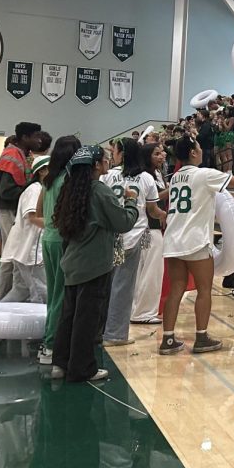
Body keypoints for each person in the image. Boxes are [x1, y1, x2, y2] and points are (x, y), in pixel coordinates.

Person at [161, 137, 234, 356]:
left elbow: (163, 196)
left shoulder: (176, 177)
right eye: (198, 147)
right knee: (204, 290)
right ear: (194, 153)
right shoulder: (204, 174)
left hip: (173, 239)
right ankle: (202, 337)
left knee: (175, 289)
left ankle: (167, 339)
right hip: (195, 240)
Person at [51, 145, 139, 384]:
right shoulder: (99, 191)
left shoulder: (70, 190)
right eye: (105, 159)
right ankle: (82, 368)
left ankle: (60, 362)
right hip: (94, 264)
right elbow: (122, 222)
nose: (108, 162)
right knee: (87, 319)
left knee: (68, 316)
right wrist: (132, 202)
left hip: (72, 262)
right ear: (97, 165)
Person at [101, 138, 164, 346]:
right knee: (124, 287)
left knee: (105, 284)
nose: (113, 154)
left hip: (109, 235)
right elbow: (152, 210)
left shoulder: (108, 176)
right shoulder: (146, 178)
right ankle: (115, 334)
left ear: (122, 154)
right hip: (135, 234)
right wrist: (166, 216)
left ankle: (99, 330)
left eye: (115, 151)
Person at [38, 135, 80, 366]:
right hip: (62, 240)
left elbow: (39, 211)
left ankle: (48, 340)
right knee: (60, 297)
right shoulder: (69, 180)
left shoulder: (49, 179)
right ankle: (52, 346)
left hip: (48, 237)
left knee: (53, 294)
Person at [0, 157, 50, 303]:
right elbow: (32, 217)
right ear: (42, 171)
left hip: (22, 251)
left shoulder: (40, 189)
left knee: (20, 291)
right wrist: (57, 225)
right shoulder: (35, 190)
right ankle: (40, 326)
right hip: (30, 253)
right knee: (41, 293)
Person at [130, 142, 168, 325]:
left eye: (162, 152)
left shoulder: (157, 174)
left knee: (144, 270)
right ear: (147, 157)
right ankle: (143, 312)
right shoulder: (146, 177)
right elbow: (151, 201)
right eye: (157, 154)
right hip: (149, 227)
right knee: (150, 271)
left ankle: (138, 309)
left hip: (151, 228)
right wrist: (171, 189)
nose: (162, 156)